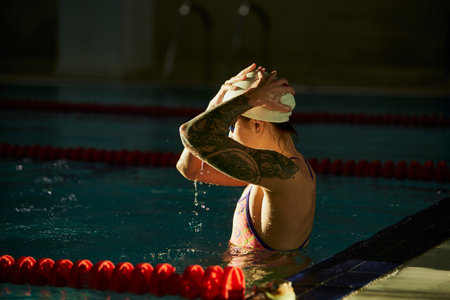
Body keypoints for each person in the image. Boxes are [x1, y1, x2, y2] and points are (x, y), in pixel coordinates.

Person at [176, 63, 316, 251]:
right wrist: (214, 106)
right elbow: (190, 169)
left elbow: (192, 134)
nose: (228, 135)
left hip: (268, 281)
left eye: (230, 126)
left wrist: (251, 98)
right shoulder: (268, 173)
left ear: (257, 125)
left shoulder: (285, 174)